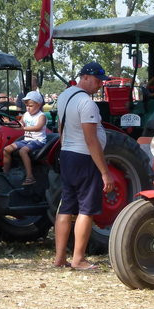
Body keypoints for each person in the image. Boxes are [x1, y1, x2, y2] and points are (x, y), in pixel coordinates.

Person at [54, 61, 116, 269]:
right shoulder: (87, 104)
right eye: (97, 81)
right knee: (86, 210)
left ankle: (60, 258)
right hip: (84, 158)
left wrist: (64, 148)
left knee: (66, 206)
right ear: (86, 77)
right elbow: (92, 141)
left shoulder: (65, 96)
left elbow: (61, 126)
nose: (99, 85)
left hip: (68, 155)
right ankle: (78, 258)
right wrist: (105, 173)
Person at [2, 91, 47, 185]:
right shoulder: (26, 114)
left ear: (38, 105)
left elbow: (38, 127)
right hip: (27, 140)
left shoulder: (41, 116)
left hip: (38, 141)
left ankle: (30, 177)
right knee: (7, 149)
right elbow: (20, 125)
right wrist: (9, 123)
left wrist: (24, 128)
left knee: (23, 151)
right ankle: (4, 173)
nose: (28, 108)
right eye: (26, 106)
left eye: (30, 106)